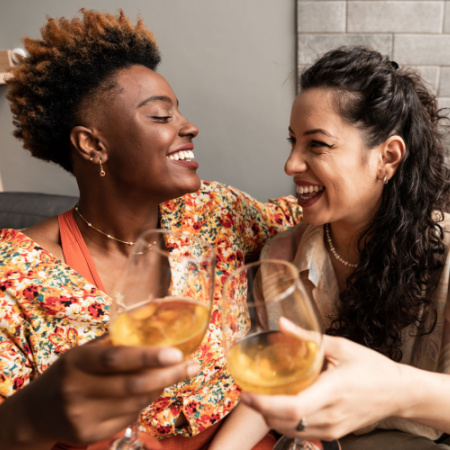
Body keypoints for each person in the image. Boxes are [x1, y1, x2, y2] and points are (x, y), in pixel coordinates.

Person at [0, 9, 302, 449]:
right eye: (161, 116)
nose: (189, 126)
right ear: (93, 144)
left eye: (178, 111)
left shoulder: (212, 211)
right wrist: (28, 417)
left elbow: (306, 210)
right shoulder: (14, 273)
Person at [242, 46, 450, 449]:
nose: (290, 164)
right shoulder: (281, 259)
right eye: (292, 142)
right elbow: (269, 389)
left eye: (316, 145)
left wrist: (394, 389)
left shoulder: (444, 255)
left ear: (387, 158)